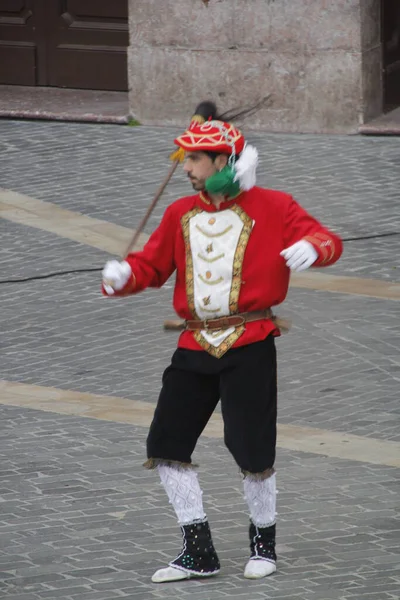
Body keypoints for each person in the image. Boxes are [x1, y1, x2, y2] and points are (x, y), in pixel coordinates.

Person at [102, 101, 343, 583]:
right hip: (194, 346)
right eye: (185, 159)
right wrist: (124, 275)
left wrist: (312, 248)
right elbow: (153, 267)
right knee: (166, 444)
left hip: (250, 341)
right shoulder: (178, 213)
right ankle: (198, 552)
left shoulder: (274, 206)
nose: (185, 168)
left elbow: (328, 240)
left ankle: (264, 545)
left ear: (223, 163)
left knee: (252, 449)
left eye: (194, 160)